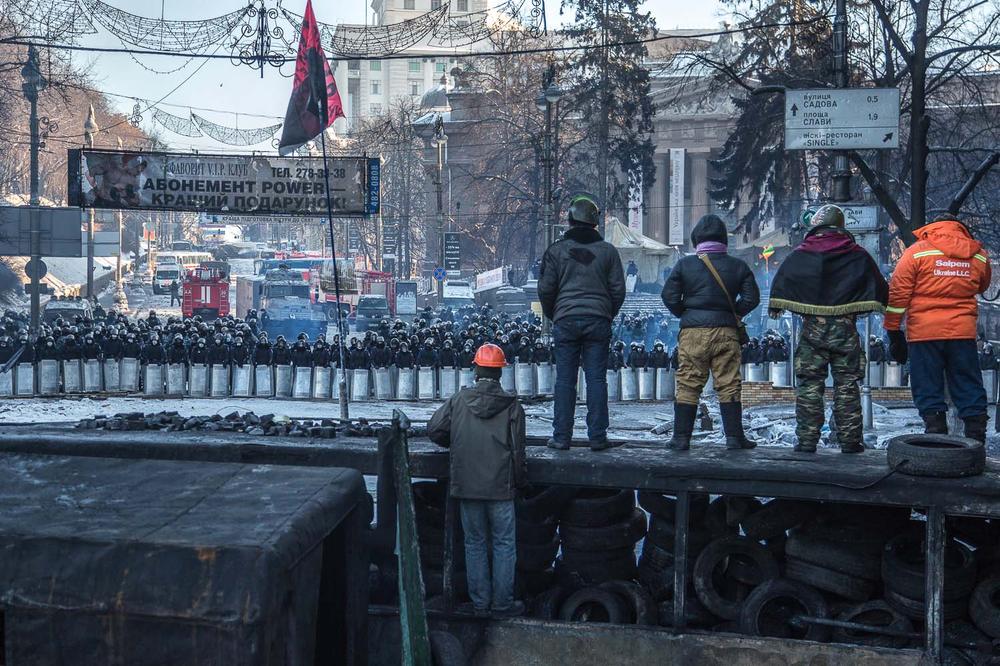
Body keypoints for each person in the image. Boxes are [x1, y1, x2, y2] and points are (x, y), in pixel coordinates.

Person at [769, 205, 889, 453]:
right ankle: (850, 442)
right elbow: (879, 288)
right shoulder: (858, 254)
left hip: (812, 333)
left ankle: (806, 441)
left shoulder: (800, 254)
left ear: (816, 226)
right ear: (841, 225)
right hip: (845, 333)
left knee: (809, 387)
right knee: (847, 386)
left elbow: (782, 284)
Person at [427, 343, 527, 618]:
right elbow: (518, 452)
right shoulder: (512, 406)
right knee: (504, 545)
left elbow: (434, 429)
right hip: (500, 487)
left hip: (467, 485)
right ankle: (502, 605)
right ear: (500, 373)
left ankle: (480, 605)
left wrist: (456, 441)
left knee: (474, 544)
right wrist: (520, 482)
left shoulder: (459, 401)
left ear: (476, 371)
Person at [884, 214, 991, 441]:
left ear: (933, 228)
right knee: (967, 382)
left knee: (927, 384)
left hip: (924, 333)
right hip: (962, 333)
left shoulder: (916, 252)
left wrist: (893, 332)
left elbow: (898, 294)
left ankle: (935, 431)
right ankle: (976, 433)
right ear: (960, 228)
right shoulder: (978, 254)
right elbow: (983, 285)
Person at [661, 214, 760, 451]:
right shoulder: (738, 266)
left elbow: (669, 296)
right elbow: (752, 298)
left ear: (696, 239)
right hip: (726, 332)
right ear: (724, 238)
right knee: (729, 383)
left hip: (692, 333)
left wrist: (687, 314)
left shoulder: (684, 265)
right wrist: (731, 313)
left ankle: (681, 438)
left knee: (688, 383)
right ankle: (734, 438)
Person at [538, 194, 626, 451]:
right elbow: (618, 290)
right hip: (598, 321)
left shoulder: (556, 251)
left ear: (570, 219)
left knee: (565, 381)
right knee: (596, 380)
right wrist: (606, 313)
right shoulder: (608, 252)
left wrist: (555, 314)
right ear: (595, 222)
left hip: (565, 320)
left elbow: (545, 289)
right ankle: (597, 437)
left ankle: (561, 437)